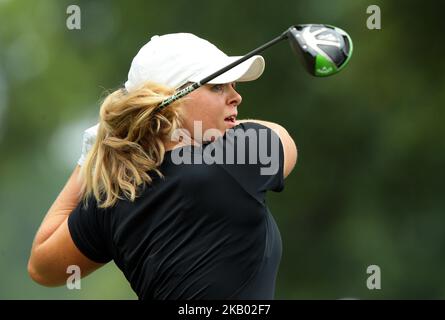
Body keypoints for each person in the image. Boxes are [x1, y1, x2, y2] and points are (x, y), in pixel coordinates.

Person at [28, 33, 298, 299]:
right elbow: (284, 139)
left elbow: (42, 266)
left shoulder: (114, 194)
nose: (235, 97)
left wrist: (93, 156)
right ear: (171, 102)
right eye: (217, 86)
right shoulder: (231, 160)